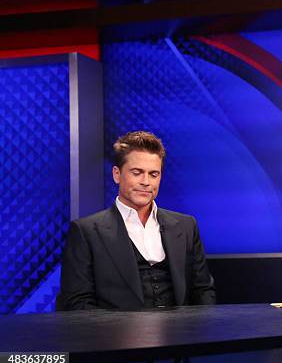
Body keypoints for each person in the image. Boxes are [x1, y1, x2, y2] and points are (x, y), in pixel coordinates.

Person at [57, 131, 215, 310]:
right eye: (137, 172)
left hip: (183, 335)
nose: (146, 181)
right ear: (117, 174)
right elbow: (77, 302)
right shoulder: (86, 232)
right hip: (115, 336)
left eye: (154, 174)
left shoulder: (186, 226)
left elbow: (203, 291)